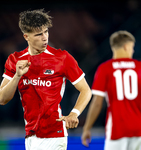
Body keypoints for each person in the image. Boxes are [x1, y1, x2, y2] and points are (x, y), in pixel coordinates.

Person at [0, 9, 92, 150]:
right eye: (38, 34)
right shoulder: (14, 60)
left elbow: (86, 90)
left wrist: (74, 113)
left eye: (46, 32)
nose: (44, 38)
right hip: (30, 136)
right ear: (26, 37)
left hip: (54, 135)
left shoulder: (62, 58)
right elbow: (2, 99)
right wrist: (17, 76)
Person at [81, 31, 141, 150]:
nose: (133, 51)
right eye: (132, 47)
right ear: (126, 47)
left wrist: (87, 128)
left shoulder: (105, 68)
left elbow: (97, 103)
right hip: (137, 128)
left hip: (116, 128)